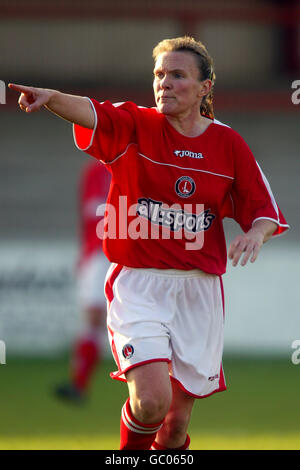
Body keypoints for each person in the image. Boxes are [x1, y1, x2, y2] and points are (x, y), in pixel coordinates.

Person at [9, 36, 289, 450]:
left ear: (204, 87)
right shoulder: (136, 124)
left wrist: (254, 233)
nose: (165, 83)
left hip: (199, 290)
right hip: (139, 284)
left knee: (174, 426)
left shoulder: (228, 144)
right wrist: (51, 97)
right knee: (151, 402)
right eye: (159, 75)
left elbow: (265, 211)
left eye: (178, 75)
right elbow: (92, 113)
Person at [55, 160, 111, 403]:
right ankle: (79, 383)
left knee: (102, 318)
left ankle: (80, 383)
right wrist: (84, 254)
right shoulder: (93, 171)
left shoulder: (134, 163)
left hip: (123, 253)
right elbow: (86, 217)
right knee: (93, 317)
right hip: (96, 254)